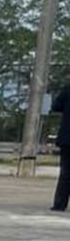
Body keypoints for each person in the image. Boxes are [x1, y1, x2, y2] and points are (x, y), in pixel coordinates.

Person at [52, 80, 70, 212]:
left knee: (66, 173)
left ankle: (59, 204)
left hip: (67, 137)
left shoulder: (68, 87)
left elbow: (56, 106)